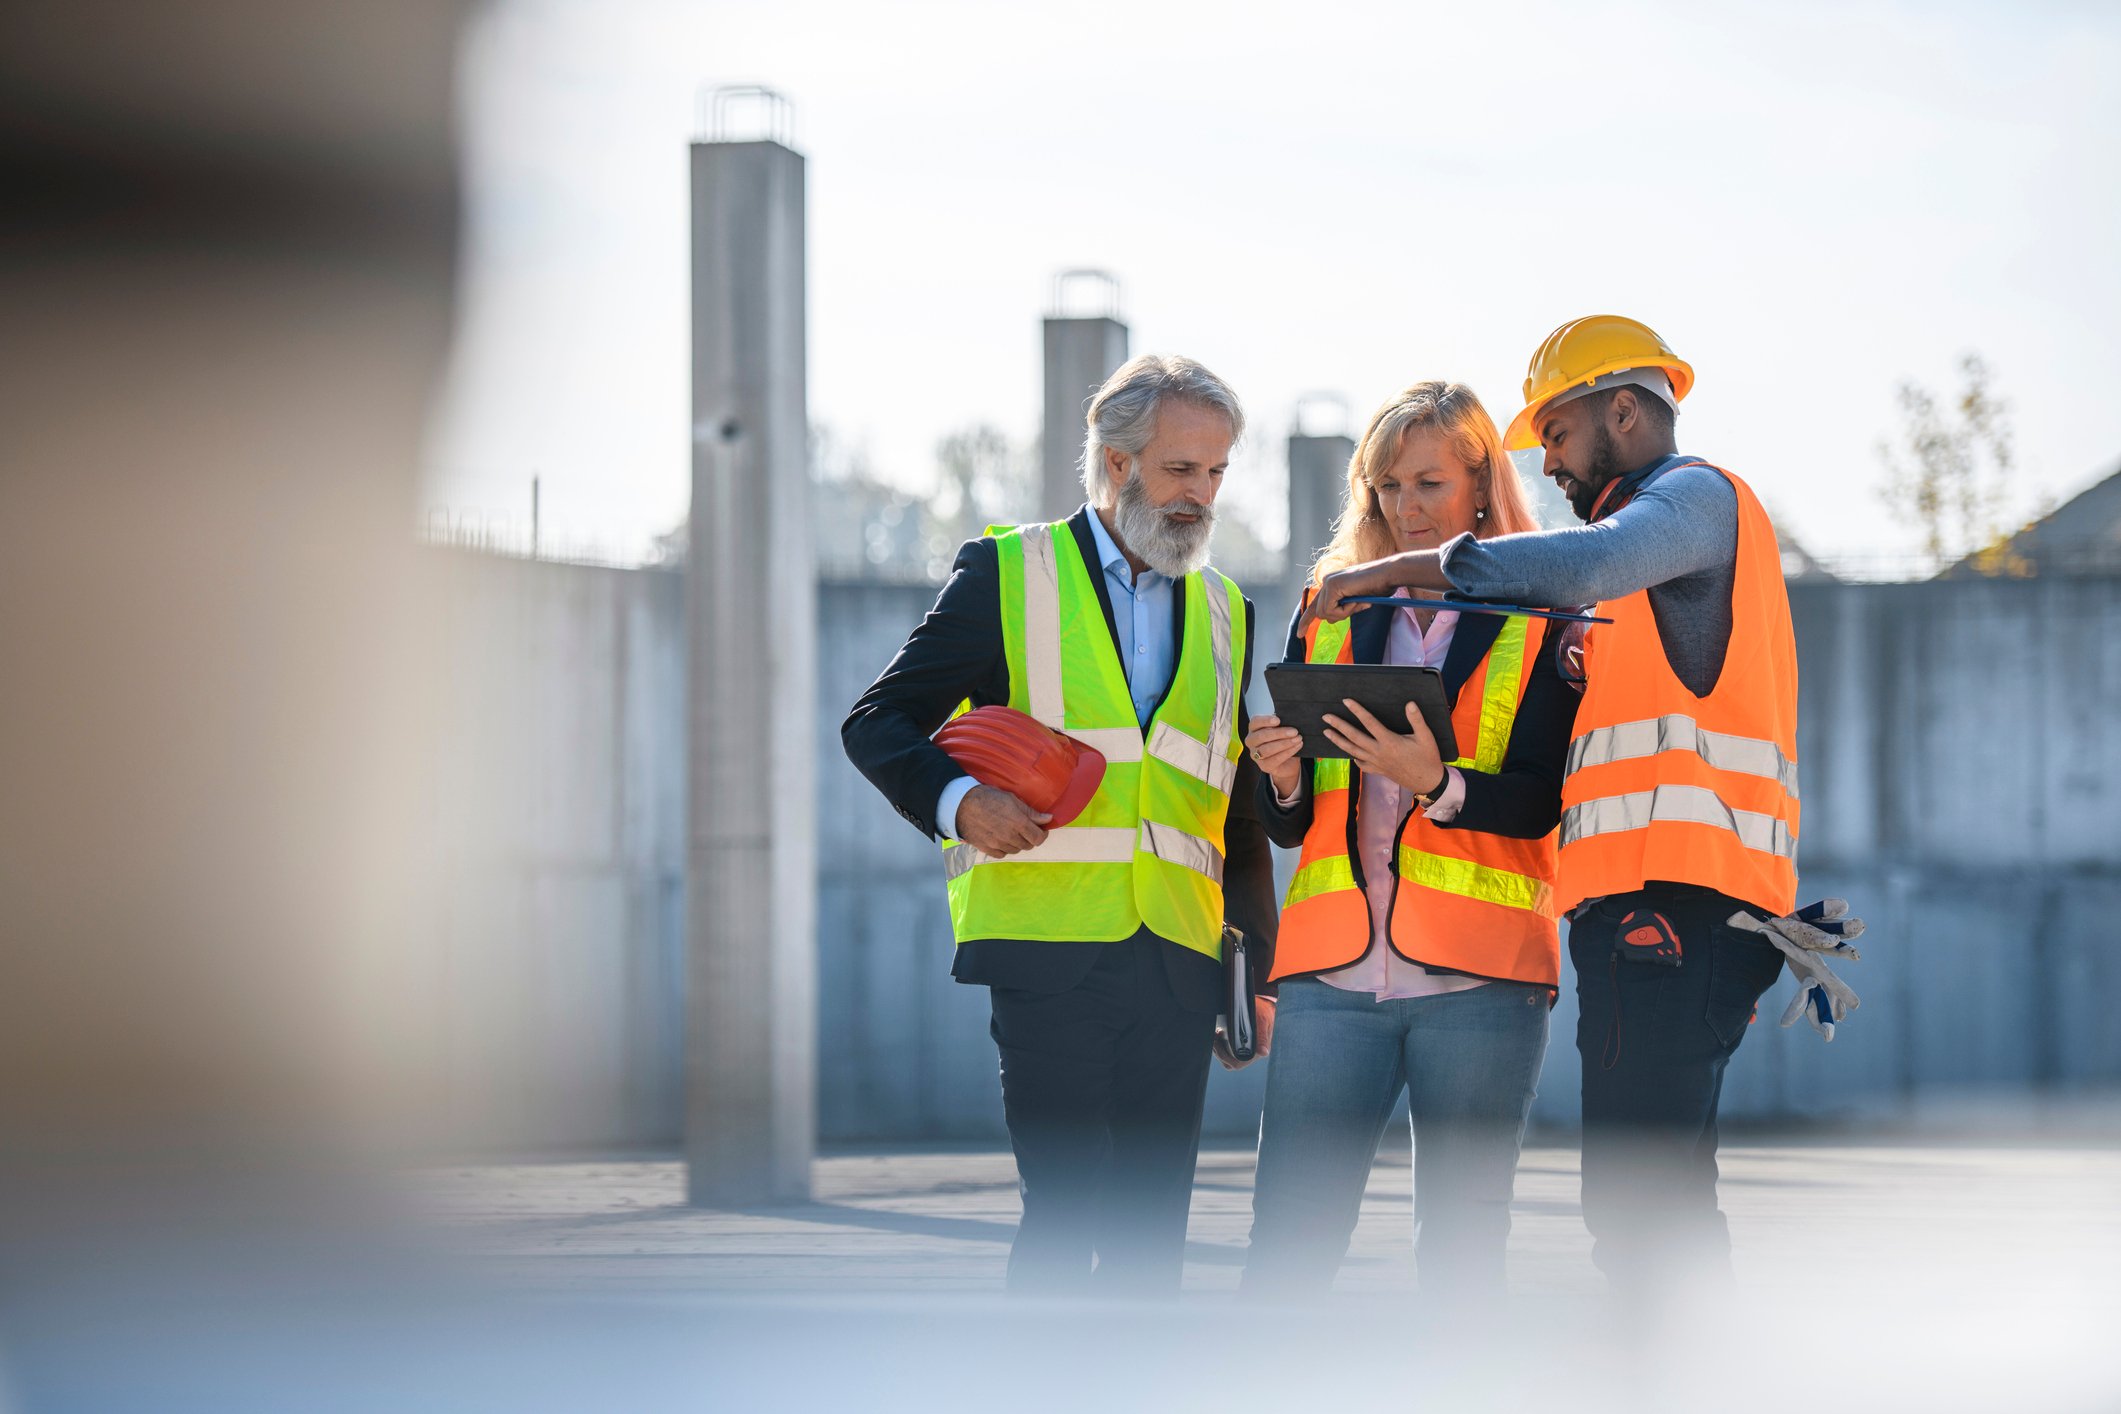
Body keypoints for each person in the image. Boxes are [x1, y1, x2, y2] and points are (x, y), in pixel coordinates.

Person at [1305, 316, 1801, 1295]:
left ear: (1623, 411)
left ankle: (1676, 1359)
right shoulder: (1639, 570)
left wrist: (1386, 571)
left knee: (1638, 1203)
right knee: (1656, 1197)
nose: (1551, 465)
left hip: (1681, 906)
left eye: (1559, 435)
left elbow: (1578, 564)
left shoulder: (1695, 498)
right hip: (1646, 913)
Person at [841, 354, 1278, 1296]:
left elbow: (1232, 810)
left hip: (1180, 963)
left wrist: (1256, 975)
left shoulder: (1226, 612)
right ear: (1117, 463)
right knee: (1065, 1214)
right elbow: (875, 722)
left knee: (1151, 1241)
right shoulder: (1008, 573)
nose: (1201, 495)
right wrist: (961, 802)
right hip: (1047, 954)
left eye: (1215, 472)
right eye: (1179, 469)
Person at [1238, 381, 1577, 1298]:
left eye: (1428, 483)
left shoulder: (1546, 612)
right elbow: (1290, 823)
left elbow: (1543, 799)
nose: (1404, 507)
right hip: (1330, 980)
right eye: (1386, 485)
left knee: (1462, 1258)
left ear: (1481, 486)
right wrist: (1280, 776)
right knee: (1285, 1248)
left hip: (1482, 982)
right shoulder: (1329, 609)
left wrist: (1437, 782)